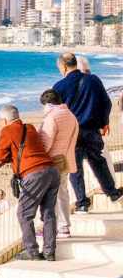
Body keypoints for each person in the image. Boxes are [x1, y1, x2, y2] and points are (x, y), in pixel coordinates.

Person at [53, 52, 122, 212]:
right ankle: (113, 193)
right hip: (92, 129)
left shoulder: (59, 87)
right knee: (98, 162)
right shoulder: (94, 80)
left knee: (75, 168)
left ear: (63, 66)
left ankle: (82, 203)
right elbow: (106, 103)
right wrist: (104, 122)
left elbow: (56, 114)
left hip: (72, 134)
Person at [0, 103, 61, 261]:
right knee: (48, 212)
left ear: (4, 120)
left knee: (24, 214)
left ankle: (32, 251)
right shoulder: (29, 127)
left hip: (34, 173)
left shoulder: (7, 130)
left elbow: (0, 155)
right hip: (51, 170)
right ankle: (49, 252)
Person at [39, 88, 79, 239]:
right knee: (62, 193)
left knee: (50, 196)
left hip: (52, 161)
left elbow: (45, 143)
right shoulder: (70, 115)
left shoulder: (52, 117)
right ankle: (64, 227)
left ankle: (51, 228)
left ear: (48, 104)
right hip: (65, 159)